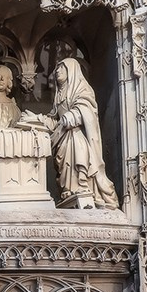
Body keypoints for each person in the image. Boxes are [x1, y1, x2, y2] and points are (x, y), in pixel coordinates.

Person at [49, 58, 119, 209]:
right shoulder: (59, 95)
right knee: (65, 162)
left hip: (75, 134)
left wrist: (71, 116)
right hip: (62, 139)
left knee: (76, 140)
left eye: (61, 67)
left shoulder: (82, 89)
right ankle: (68, 189)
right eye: (56, 69)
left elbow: (87, 110)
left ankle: (82, 182)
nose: (57, 71)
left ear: (71, 70)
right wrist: (37, 120)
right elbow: (55, 120)